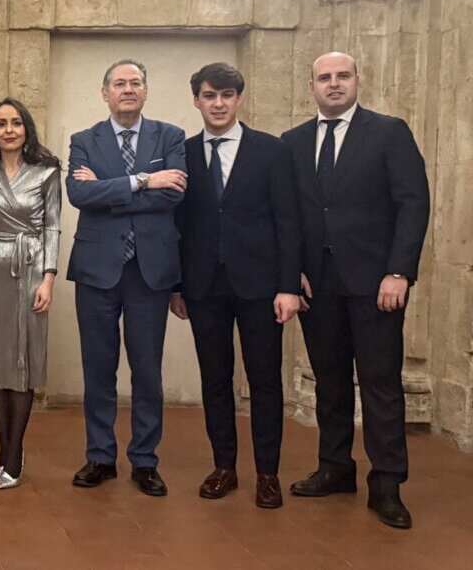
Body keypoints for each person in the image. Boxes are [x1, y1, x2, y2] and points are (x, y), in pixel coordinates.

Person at [281, 51, 429, 529]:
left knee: (381, 385)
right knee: (329, 382)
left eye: (342, 76)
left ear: (357, 81)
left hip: (376, 284)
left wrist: (399, 272)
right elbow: (290, 216)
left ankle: (386, 484)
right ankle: (335, 468)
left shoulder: (388, 132)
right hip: (316, 286)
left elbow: (412, 204)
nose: (334, 84)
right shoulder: (294, 142)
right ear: (312, 86)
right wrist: (293, 272)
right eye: (324, 77)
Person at [168, 63, 300, 509]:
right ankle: (224, 466)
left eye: (226, 95)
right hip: (203, 285)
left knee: (264, 380)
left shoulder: (271, 150)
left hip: (262, 285)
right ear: (197, 101)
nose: (218, 104)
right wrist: (176, 286)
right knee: (215, 379)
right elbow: (178, 225)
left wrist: (288, 285)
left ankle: (268, 473)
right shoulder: (181, 153)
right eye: (209, 96)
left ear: (239, 98)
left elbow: (288, 220)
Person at [66, 58, 186, 497]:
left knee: (147, 371)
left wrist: (111, 188)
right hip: (97, 272)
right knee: (98, 369)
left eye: (135, 82)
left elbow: (173, 195)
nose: (128, 89)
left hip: (149, 272)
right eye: (119, 83)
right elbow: (79, 194)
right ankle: (99, 455)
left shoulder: (170, 136)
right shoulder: (84, 140)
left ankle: (145, 460)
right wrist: (142, 181)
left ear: (146, 91)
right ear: (105, 93)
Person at [0, 98, 61, 490]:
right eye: (1, 124)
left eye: (15, 123)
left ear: (26, 129)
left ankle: (15, 454)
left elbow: (53, 226)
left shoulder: (47, 172)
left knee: (23, 363)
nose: (8, 130)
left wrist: (49, 277)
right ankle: (5, 452)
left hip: (31, 267)